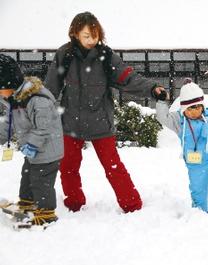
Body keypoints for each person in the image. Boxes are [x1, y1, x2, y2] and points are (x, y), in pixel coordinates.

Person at [44, 12, 164, 213]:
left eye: (95, 35)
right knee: (67, 167)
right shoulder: (65, 55)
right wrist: (38, 108)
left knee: (113, 166)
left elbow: (128, 78)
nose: (92, 40)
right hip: (71, 123)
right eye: (86, 36)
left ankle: (132, 206)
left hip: (101, 121)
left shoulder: (106, 57)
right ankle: (73, 203)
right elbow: (50, 88)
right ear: (75, 34)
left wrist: (152, 88)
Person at [155, 80, 208, 213]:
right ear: (184, 108)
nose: (194, 111)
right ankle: (199, 213)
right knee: (199, 189)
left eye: (197, 107)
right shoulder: (178, 121)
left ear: (202, 106)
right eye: (189, 108)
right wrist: (162, 102)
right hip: (195, 161)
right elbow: (163, 117)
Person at [0, 54, 63, 226]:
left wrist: (32, 145)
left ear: (10, 83)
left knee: (41, 182)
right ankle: (28, 204)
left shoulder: (36, 99)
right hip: (33, 151)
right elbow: (8, 123)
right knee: (27, 177)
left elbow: (44, 128)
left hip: (47, 150)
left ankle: (46, 212)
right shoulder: (13, 99)